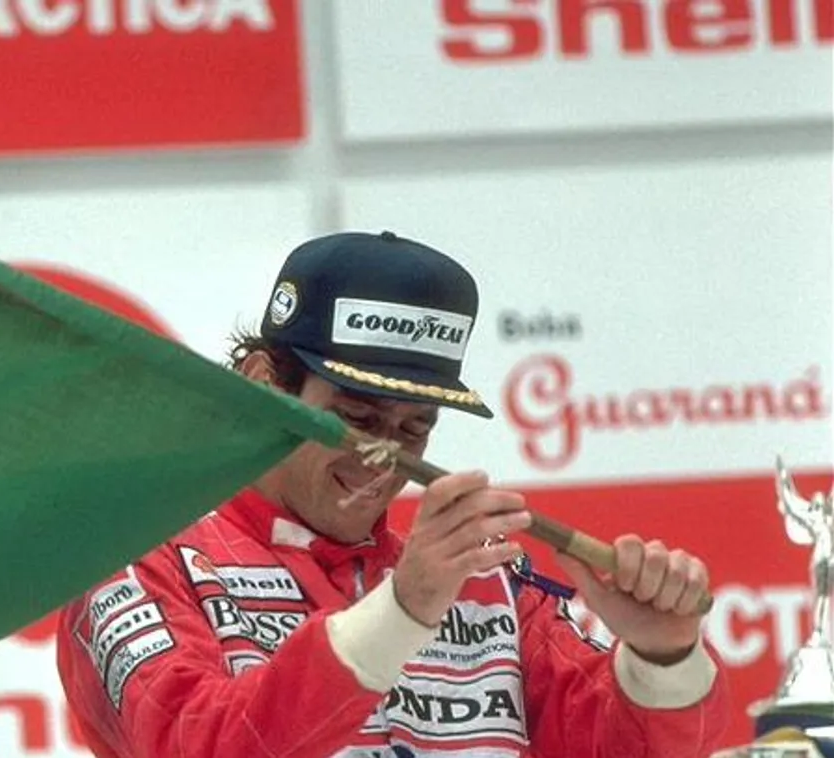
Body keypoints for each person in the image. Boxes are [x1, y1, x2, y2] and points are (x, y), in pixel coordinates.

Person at [55, 230, 731, 757]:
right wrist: (402, 612)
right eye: (355, 418)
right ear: (264, 382)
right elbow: (197, 746)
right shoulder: (141, 568)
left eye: (414, 428)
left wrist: (661, 656)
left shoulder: (484, 586)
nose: (385, 458)